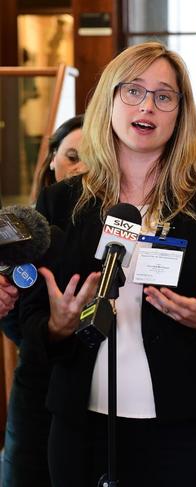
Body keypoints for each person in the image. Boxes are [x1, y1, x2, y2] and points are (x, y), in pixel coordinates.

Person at [20, 42, 196, 487]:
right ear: (109, 101)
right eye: (133, 91)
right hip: (83, 430)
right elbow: (31, 317)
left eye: (163, 96)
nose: (147, 106)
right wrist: (57, 325)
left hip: (193, 431)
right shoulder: (62, 202)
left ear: (179, 112)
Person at [2, 114, 85, 487]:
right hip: (36, 383)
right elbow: (13, 323)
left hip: (90, 392)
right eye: (71, 155)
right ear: (52, 159)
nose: (79, 167)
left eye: (92, 158)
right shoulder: (24, 229)